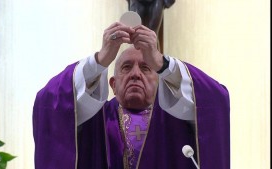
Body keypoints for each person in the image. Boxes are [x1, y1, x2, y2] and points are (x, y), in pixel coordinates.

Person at [33, 22, 230, 169]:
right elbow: (48, 103)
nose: (135, 74)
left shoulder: (179, 115)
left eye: (146, 68)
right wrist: (100, 60)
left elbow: (216, 100)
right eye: (126, 68)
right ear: (113, 84)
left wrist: (163, 64)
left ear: (160, 82)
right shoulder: (92, 117)